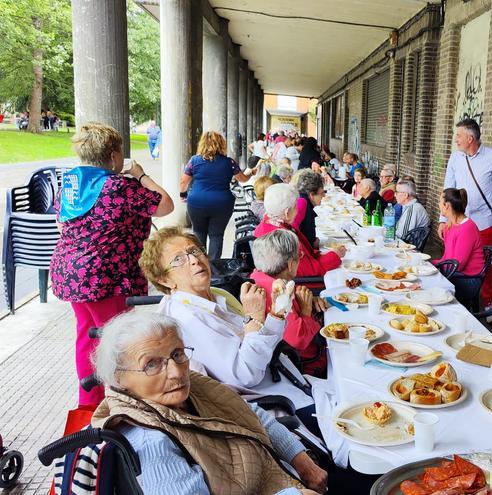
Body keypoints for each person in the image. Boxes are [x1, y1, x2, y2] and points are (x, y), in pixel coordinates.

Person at [91, 312, 326, 495]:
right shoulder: (152, 442)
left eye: (177, 354)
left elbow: (251, 413)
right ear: (119, 379)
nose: (175, 372)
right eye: (151, 364)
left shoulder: (191, 384)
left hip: (283, 473)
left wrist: (302, 461)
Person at [140, 227, 317, 425]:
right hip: (275, 404)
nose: (194, 260)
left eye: (194, 251)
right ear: (165, 280)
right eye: (178, 259)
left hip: (286, 378)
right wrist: (253, 317)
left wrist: (276, 314)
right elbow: (245, 375)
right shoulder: (189, 318)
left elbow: (259, 343)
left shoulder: (213, 297)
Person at [50, 122, 174, 406]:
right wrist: (142, 175)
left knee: (87, 335)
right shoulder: (119, 187)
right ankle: (119, 401)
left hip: (71, 273)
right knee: (116, 339)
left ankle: (89, 401)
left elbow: (61, 225)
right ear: (115, 156)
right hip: (107, 278)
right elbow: (165, 205)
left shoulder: (70, 185)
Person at [440, 119, 492, 310]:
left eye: (459, 136)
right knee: (452, 259)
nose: (456, 140)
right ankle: (450, 298)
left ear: (470, 138)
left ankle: (489, 304)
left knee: (483, 265)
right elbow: (447, 189)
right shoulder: (456, 158)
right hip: (456, 221)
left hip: (482, 222)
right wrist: (443, 219)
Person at [250, 230, 329, 376]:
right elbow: (298, 340)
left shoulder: (259, 277)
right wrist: (306, 310)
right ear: (291, 264)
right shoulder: (277, 294)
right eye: (299, 256)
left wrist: (308, 300)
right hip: (308, 365)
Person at [180, 131, 253, 260]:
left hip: (197, 202)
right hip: (222, 204)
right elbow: (243, 179)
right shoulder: (229, 162)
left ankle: (199, 265)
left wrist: (183, 194)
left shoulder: (194, 161)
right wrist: (251, 173)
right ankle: (214, 270)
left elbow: (184, 181)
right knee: (217, 235)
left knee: (198, 233)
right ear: (221, 144)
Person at [254, 184, 345, 279]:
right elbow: (310, 270)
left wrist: (320, 254)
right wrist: (335, 256)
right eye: (295, 207)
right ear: (287, 212)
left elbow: (304, 255)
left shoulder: (269, 223)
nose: (297, 210)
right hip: (303, 284)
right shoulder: (281, 237)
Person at [434, 188, 484, 275]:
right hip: (452, 271)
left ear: (446, 205)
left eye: (440, 202)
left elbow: (458, 265)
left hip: (467, 277)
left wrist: (435, 267)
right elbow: (447, 257)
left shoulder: (467, 228)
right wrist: (431, 264)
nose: (439, 204)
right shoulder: (449, 225)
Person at [292, 170, 325, 250]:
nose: (324, 196)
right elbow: (292, 232)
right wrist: (311, 244)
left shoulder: (303, 200)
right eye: (321, 193)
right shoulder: (302, 203)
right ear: (311, 195)